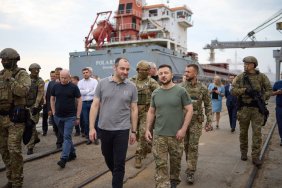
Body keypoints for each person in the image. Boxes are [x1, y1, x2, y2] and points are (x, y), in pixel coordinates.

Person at [89, 57, 138, 188]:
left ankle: (117, 181)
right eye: (122, 68)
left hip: (122, 130)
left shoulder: (132, 87)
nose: (125, 71)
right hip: (104, 128)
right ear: (115, 68)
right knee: (107, 157)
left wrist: (133, 131)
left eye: (127, 69)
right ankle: (117, 175)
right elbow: (95, 106)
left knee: (120, 163)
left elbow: (134, 109)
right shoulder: (102, 83)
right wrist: (91, 128)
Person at [145, 64, 193, 188]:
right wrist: (147, 129)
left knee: (175, 166)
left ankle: (173, 183)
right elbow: (151, 111)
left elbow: (189, 110)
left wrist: (183, 130)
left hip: (176, 136)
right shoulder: (156, 92)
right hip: (159, 136)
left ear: (171, 75)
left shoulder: (181, 91)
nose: (163, 75)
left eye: (166, 73)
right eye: (160, 73)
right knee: (161, 166)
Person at [231, 56, 272, 167]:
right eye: (244, 64)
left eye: (247, 64)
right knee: (243, 133)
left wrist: (263, 97)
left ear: (253, 65)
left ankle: (255, 156)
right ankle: (244, 153)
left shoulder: (262, 77)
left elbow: (269, 90)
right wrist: (244, 90)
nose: (245, 65)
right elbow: (233, 90)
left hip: (257, 110)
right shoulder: (240, 77)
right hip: (244, 109)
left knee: (257, 134)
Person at [0, 48, 31, 188]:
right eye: (2, 60)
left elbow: (23, 91)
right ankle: (11, 179)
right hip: (1, 119)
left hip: (15, 119)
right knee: (4, 150)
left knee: (14, 150)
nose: (3, 62)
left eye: (5, 60)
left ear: (13, 60)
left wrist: (10, 79)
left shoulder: (22, 74)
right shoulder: (0, 75)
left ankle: (18, 182)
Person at [179, 64, 212, 184]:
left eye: (188, 72)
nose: (185, 73)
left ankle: (190, 171)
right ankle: (188, 165)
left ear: (195, 74)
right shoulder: (180, 87)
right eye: (185, 71)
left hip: (196, 122)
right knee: (185, 146)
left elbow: (208, 105)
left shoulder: (203, 88)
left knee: (193, 146)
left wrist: (209, 121)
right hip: (182, 122)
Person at [130, 60, 159, 168]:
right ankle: (147, 146)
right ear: (138, 70)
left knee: (142, 133)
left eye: (148, 69)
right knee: (137, 135)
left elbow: (159, 92)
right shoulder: (131, 81)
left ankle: (138, 156)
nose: (147, 71)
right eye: (145, 70)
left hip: (146, 113)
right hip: (134, 113)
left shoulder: (151, 82)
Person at [50, 69, 82, 168]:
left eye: (65, 78)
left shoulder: (73, 87)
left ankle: (63, 158)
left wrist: (78, 116)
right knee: (66, 137)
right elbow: (52, 98)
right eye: (61, 78)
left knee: (67, 137)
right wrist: (54, 112)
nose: (63, 80)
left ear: (69, 77)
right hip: (58, 117)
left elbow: (80, 100)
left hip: (70, 117)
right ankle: (72, 153)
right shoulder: (56, 86)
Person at [26, 63, 45, 155]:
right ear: (30, 70)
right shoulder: (25, 79)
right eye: (34, 69)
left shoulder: (40, 81)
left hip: (34, 106)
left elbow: (40, 94)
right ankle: (35, 138)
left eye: (38, 69)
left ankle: (30, 147)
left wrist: (36, 106)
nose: (36, 71)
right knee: (28, 125)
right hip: (25, 106)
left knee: (31, 125)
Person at [78, 67, 98, 145]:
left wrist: (85, 92)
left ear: (90, 73)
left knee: (95, 120)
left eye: (86, 72)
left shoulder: (94, 81)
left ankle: (95, 137)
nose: (85, 74)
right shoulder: (80, 82)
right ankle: (88, 137)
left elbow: (95, 92)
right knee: (86, 121)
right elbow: (79, 92)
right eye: (84, 73)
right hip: (84, 103)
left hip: (93, 102)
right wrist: (89, 91)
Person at [46, 67, 63, 149]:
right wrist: (49, 109)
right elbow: (48, 97)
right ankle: (59, 138)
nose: (57, 76)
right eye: (56, 74)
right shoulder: (51, 83)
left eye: (59, 74)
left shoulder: (65, 82)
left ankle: (59, 142)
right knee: (55, 127)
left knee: (61, 126)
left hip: (62, 109)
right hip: (53, 109)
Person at [42, 70, 56, 136]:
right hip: (46, 102)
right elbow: (44, 93)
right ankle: (44, 130)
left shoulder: (56, 83)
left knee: (53, 116)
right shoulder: (47, 83)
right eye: (51, 76)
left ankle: (55, 128)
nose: (52, 77)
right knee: (44, 117)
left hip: (53, 102)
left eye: (54, 76)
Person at [272, 79, 282, 146]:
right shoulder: (277, 83)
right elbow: (271, 93)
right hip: (280, 108)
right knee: (280, 124)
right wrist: (277, 92)